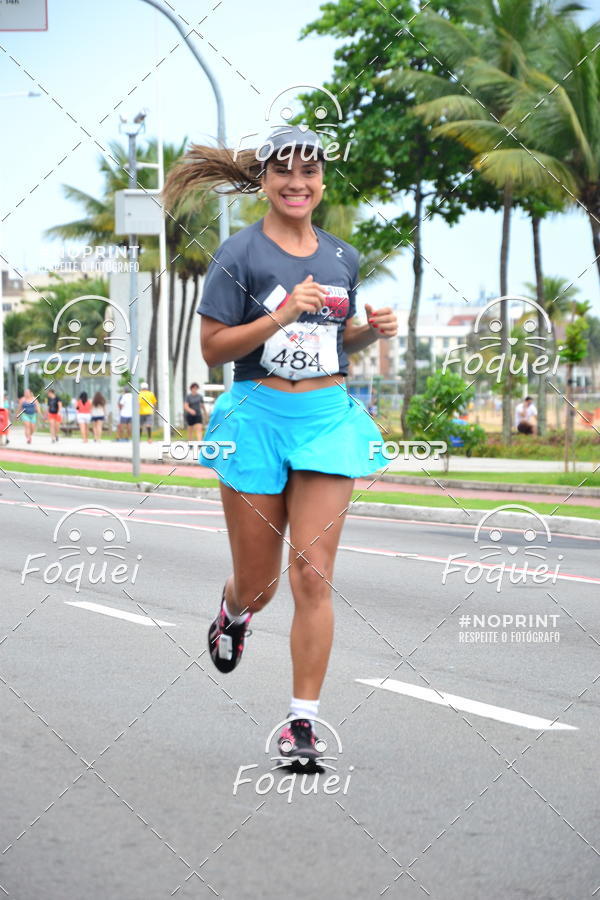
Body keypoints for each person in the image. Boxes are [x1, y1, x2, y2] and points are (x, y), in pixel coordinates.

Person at [163, 125, 397, 763]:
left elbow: (333, 343)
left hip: (326, 418)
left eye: (310, 173)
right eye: (284, 173)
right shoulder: (238, 255)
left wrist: (369, 334)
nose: (298, 184)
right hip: (255, 418)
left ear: (323, 181)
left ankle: (301, 724)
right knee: (262, 584)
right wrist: (280, 314)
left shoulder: (342, 256)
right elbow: (213, 349)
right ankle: (233, 610)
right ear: (263, 181)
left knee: (312, 578)